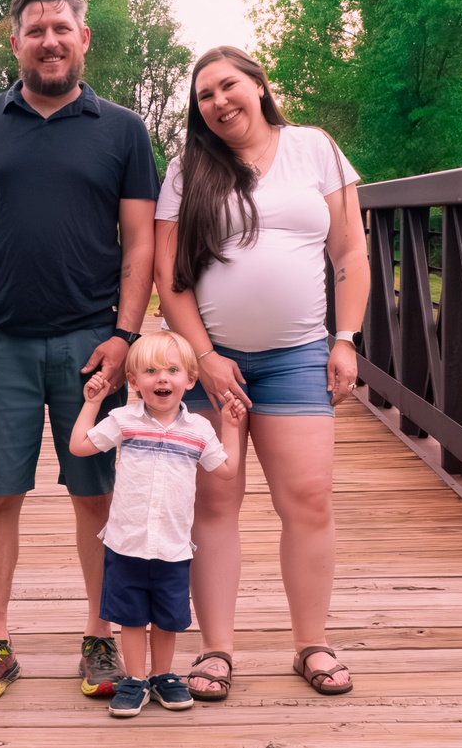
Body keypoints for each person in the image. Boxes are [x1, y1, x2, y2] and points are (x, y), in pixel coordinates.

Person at [0, 0, 161, 702]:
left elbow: (142, 241)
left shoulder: (122, 130)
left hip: (92, 343)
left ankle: (101, 638)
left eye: (62, 27)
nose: (50, 40)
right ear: (15, 41)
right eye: (35, 29)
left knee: (96, 494)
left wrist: (124, 334)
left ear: (84, 39)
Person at [152, 46, 370, 700]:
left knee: (307, 499)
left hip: (297, 355)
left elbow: (350, 250)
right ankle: (215, 649)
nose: (218, 102)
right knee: (214, 502)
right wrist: (206, 357)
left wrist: (345, 338)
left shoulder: (315, 149)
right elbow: (169, 277)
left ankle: (311, 641)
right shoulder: (186, 169)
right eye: (204, 96)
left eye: (228, 86)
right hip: (203, 365)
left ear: (257, 83)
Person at [68, 331, 245, 717]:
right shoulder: (124, 420)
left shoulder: (198, 429)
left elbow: (227, 469)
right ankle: (134, 679)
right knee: (131, 617)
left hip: (173, 544)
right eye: (150, 371)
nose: (162, 378)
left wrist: (230, 426)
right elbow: (80, 445)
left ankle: (162, 676)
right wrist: (91, 403)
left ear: (190, 379)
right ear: (134, 382)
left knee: (167, 618)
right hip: (127, 541)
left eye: (172, 370)